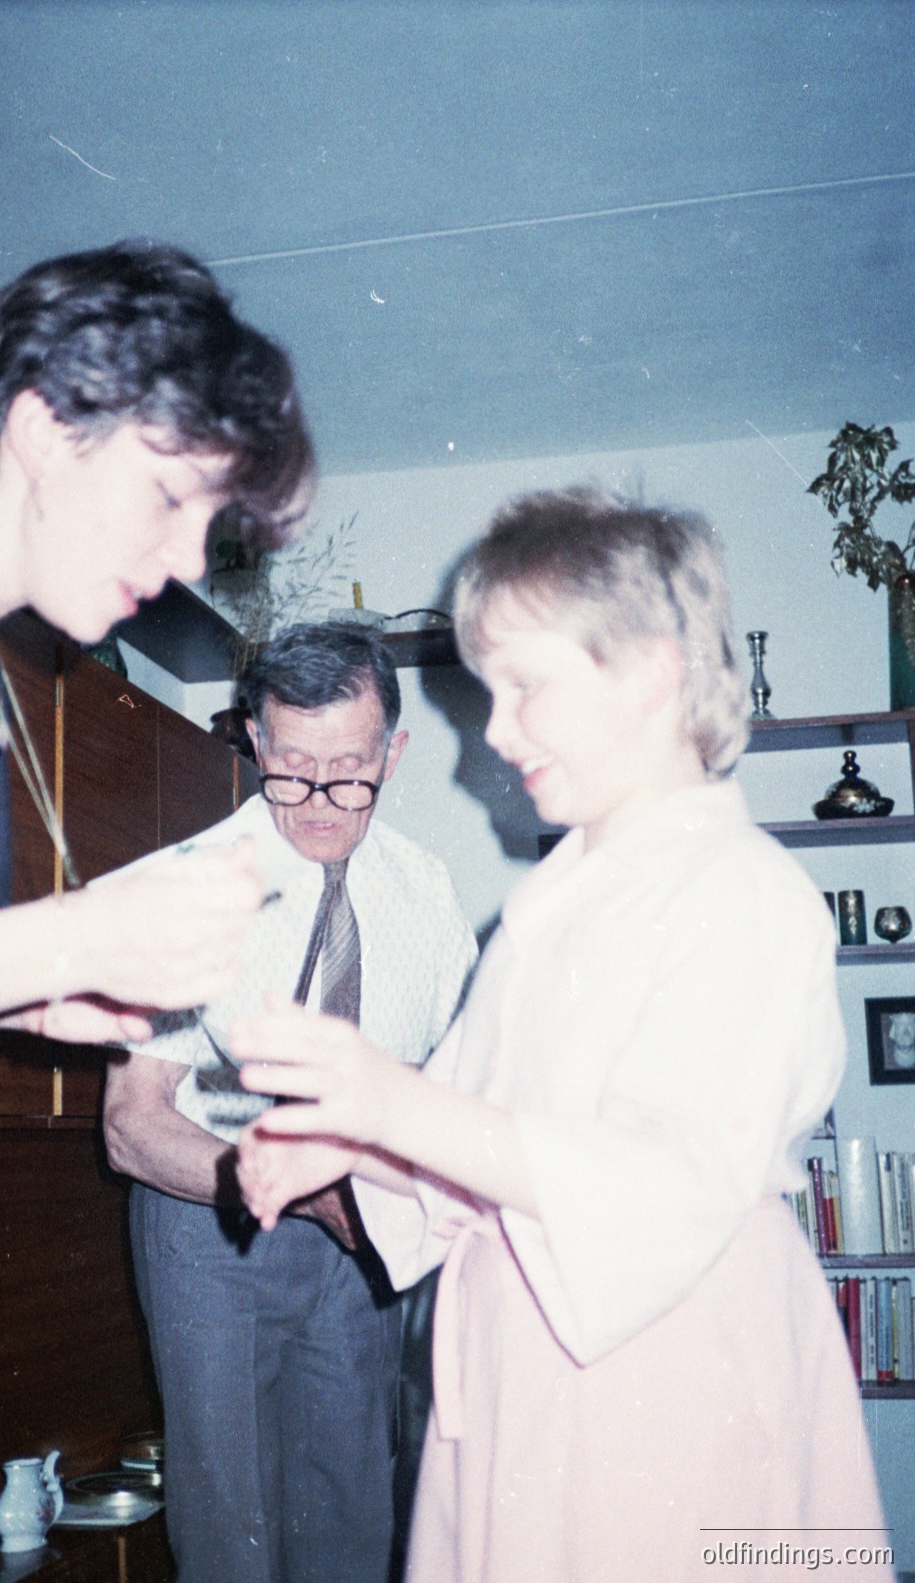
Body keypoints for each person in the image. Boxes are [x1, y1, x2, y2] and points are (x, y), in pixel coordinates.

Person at [230, 489, 894, 1583]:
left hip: (664, 1372)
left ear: (651, 671)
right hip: (524, 1375)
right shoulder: (551, 904)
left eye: (525, 687)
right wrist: (347, 1147)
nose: (493, 733)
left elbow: (668, 1173)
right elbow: (475, 1127)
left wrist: (384, 1104)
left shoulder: (741, 889)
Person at [0, 239, 315, 1583]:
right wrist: (69, 938)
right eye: (166, 498)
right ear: (42, 425)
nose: (180, 558)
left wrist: (39, 996)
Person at [103, 621, 477, 1583]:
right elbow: (131, 1124)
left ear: (393, 753)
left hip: (361, 1240)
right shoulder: (191, 886)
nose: (315, 800)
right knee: (230, 1523)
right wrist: (287, 1184)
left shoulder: (425, 893)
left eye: (348, 771)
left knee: (352, 1508)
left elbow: (454, 1087)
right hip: (210, 1229)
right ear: (256, 743)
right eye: (291, 766)